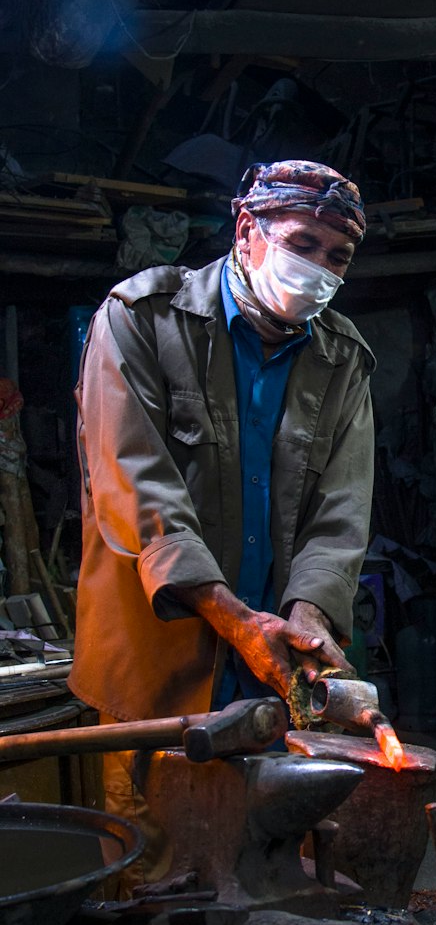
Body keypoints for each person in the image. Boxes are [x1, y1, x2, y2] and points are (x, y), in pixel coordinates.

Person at [71, 159, 374, 878]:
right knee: (156, 886)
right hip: (158, 678)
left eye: (338, 257)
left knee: (274, 881)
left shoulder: (342, 358)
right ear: (247, 231)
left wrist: (306, 614)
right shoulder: (142, 319)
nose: (319, 270)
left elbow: (341, 509)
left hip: (274, 678)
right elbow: (138, 492)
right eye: (303, 244)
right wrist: (240, 623)